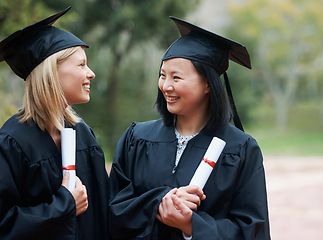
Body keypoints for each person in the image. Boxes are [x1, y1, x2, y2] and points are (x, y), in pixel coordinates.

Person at [109, 16, 271, 240]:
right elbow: (112, 208)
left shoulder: (240, 149)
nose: (166, 86)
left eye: (176, 77)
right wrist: (159, 204)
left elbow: (252, 230)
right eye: (163, 75)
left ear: (207, 83)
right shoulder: (137, 138)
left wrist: (192, 226)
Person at [0, 7, 109, 240]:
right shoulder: (12, 142)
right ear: (51, 72)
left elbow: (104, 211)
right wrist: (63, 205)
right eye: (81, 65)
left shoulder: (83, 134)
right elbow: (4, 225)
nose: (91, 73)